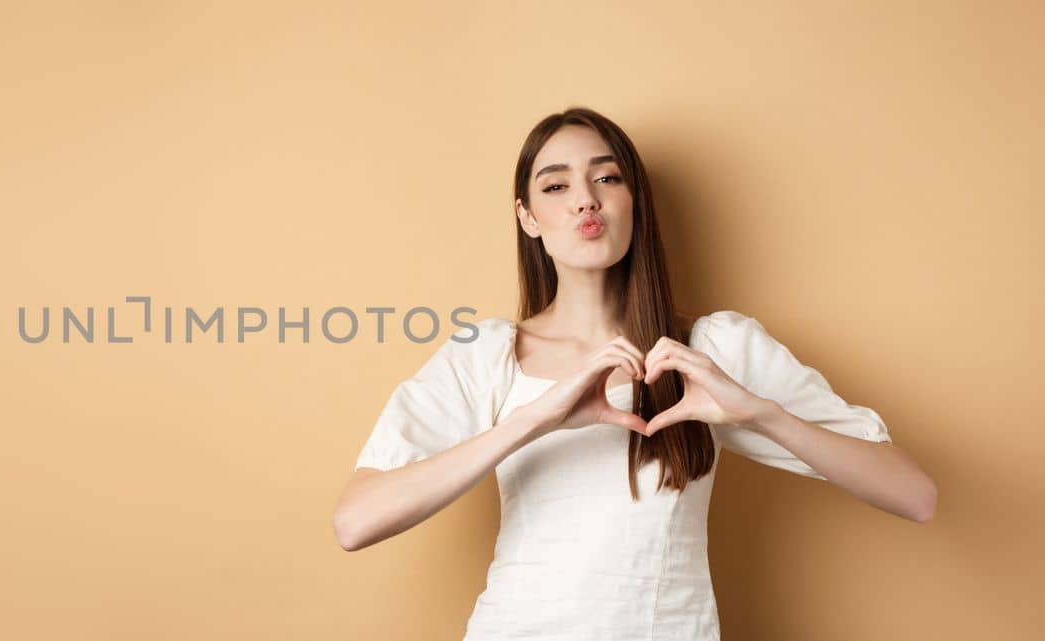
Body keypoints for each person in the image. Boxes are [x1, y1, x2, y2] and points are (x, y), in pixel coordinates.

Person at [330, 107, 937, 640]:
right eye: (556, 185)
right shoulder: (487, 353)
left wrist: (760, 413)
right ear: (529, 218)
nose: (584, 198)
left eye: (606, 177)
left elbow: (915, 496)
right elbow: (356, 522)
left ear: (633, 202)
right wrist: (532, 421)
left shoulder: (709, 349)